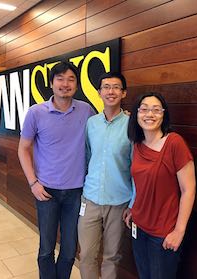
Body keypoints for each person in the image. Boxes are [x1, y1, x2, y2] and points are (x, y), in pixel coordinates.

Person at [18, 62, 95, 279]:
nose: (65, 84)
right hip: (46, 191)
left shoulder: (86, 110)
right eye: (60, 79)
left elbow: (102, 129)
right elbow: (23, 148)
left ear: (77, 84)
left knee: (70, 251)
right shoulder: (36, 112)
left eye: (71, 79)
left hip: (76, 192)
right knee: (46, 249)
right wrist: (33, 182)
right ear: (51, 83)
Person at [124, 92, 196, 279]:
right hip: (139, 227)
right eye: (144, 109)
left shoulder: (174, 143)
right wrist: (133, 208)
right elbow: (141, 183)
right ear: (136, 114)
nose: (150, 114)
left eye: (156, 110)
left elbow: (188, 190)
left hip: (164, 232)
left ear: (164, 115)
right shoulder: (137, 144)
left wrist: (179, 231)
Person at [78, 72, 133, 279]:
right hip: (90, 199)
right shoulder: (91, 123)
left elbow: (136, 166)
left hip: (119, 202)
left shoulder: (132, 125)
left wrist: (133, 203)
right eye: (106, 87)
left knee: (112, 257)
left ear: (124, 93)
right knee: (86, 255)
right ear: (99, 92)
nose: (111, 91)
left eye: (116, 87)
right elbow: (87, 156)